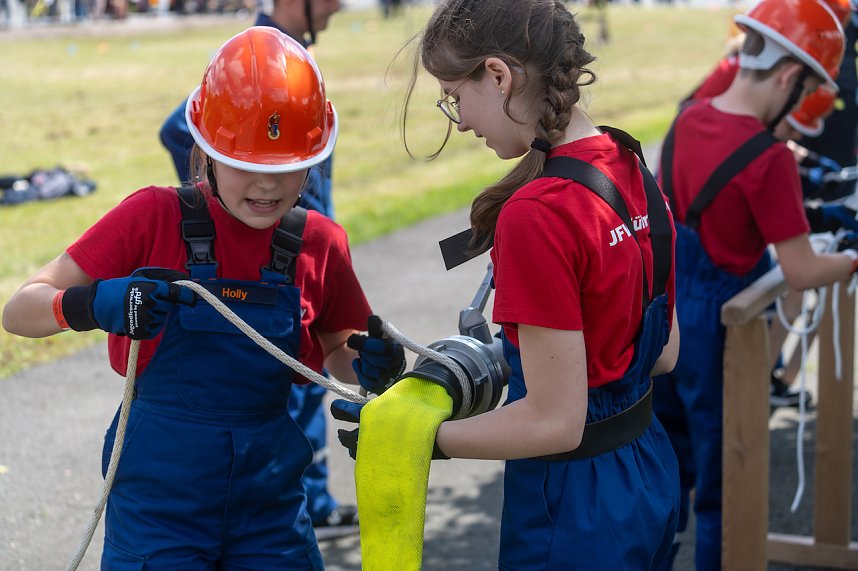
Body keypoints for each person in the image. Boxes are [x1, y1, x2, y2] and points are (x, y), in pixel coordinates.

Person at [1, 27, 405, 568]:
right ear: (207, 150)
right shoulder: (152, 218)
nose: (266, 186)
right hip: (157, 514)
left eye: (285, 168)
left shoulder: (318, 243)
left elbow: (338, 351)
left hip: (270, 511)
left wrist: (371, 364)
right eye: (246, 165)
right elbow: (20, 310)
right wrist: (93, 302)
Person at [337, 1, 682, 568]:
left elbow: (555, 421)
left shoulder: (537, 213)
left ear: (498, 76)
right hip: (647, 471)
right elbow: (662, 353)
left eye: (453, 96)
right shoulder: (630, 164)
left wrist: (413, 436)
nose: (461, 120)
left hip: (574, 508)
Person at [651, 0, 855, 569]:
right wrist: (852, 258)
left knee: (668, 470)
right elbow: (801, 271)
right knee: (723, 485)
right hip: (722, 330)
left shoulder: (688, 118)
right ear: (792, 76)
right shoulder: (770, 162)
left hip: (665, 320)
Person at [159, 0, 357, 540]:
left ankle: (309, 497)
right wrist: (223, 199)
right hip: (275, 262)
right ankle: (308, 497)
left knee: (311, 377)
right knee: (281, 382)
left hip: (307, 251)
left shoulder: (297, 65)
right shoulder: (255, 64)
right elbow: (180, 129)